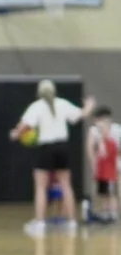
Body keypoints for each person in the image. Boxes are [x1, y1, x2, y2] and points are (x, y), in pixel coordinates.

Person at [10, 79, 95, 236]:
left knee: (41, 187)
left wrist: (15, 134)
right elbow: (81, 115)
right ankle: (71, 223)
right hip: (62, 147)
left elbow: (25, 126)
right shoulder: (62, 103)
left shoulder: (36, 106)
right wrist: (89, 105)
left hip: (45, 148)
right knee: (66, 185)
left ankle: (40, 222)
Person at [89, 106, 119, 224]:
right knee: (103, 192)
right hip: (102, 171)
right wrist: (94, 165)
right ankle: (105, 211)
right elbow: (94, 150)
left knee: (112, 192)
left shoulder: (113, 140)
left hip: (111, 170)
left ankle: (113, 213)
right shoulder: (97, 135)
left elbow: (109, 153)